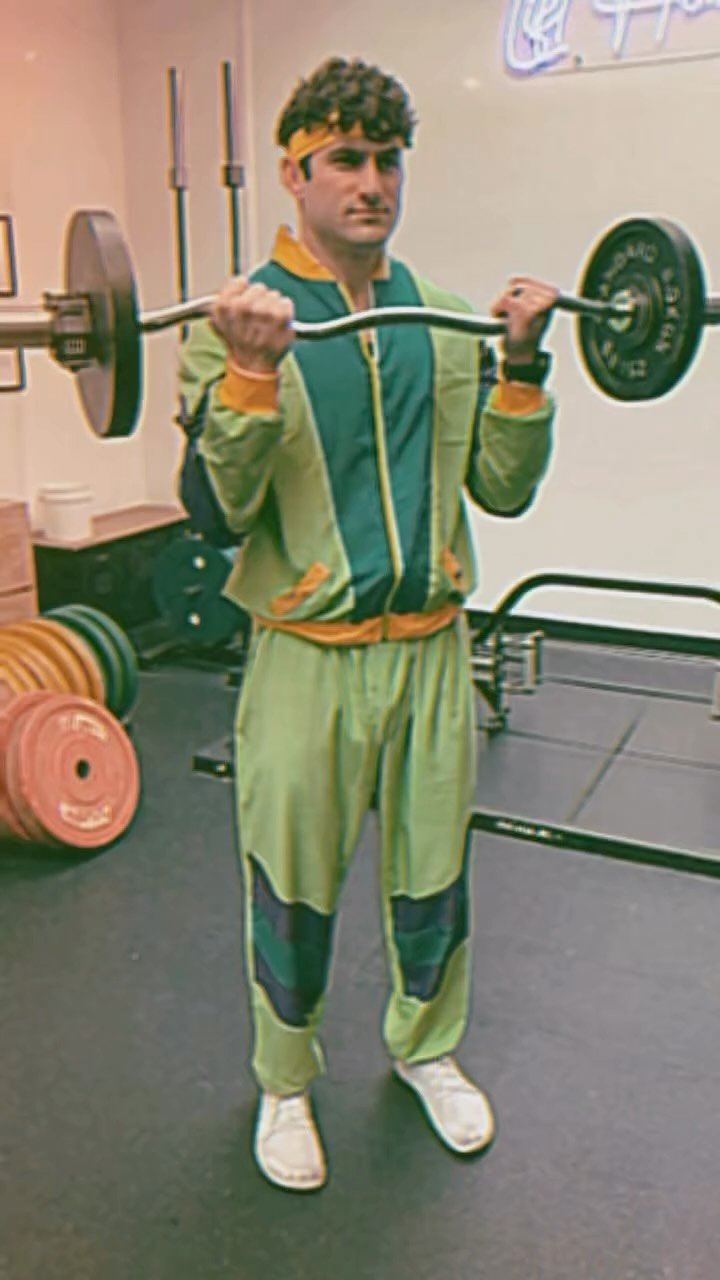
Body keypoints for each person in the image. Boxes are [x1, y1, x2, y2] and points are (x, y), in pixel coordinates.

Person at [177, 55, 557, 1192]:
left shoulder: (441, 319)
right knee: (291, 883)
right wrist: (250, 374)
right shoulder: (233, 319)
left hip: (433, 648)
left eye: (388, 160)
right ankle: (285, 1080)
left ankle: (425, 1048)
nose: (372, 182)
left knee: (434, 876)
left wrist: (522, 367)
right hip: (308, 656)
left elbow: (502, 488)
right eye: (345, 159)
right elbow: (216, 511)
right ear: (294, 173)